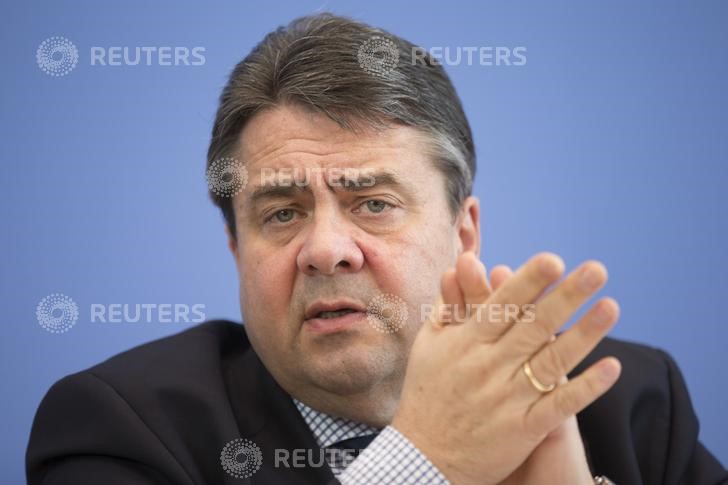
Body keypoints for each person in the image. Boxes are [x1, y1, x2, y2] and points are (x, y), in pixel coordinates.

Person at [26, 13, 728, 485]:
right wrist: (422, 460)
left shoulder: (625, 402)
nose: (326, 248)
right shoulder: (122, 429)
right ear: (236, 246)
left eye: (373, 204)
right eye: (281, 212)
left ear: (464, 234)